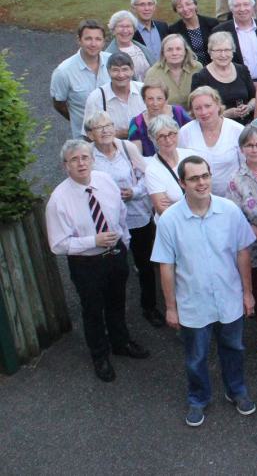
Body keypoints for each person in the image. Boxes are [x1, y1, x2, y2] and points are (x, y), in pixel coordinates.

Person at [152, 155, 256, 427]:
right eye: (194, 178)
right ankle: (198, 398)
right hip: (193, 303)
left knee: (233, 348)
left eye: (205, 176)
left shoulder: (230, 211)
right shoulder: (169, 221)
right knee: (196, 357)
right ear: (181, 182)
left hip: (229, 297)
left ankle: (236, 391)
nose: (202, 183)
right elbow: (166, 266)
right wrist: (171, 307)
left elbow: (243, 253)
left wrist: (248, 292)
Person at [45, 140, 149, 382]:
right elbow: (58, 244)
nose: (81, 163)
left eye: (84, 157)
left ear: (92, 159)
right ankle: (99, 356)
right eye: (74, 160)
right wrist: (94, 240)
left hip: (116, 254)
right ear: (65, 166)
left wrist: (125, 242)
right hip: (86, 264)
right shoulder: (58, 200)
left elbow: (121, 215)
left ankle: (121, 343)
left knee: (117, 301)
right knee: (92, 310)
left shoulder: (104, 180)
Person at [86, 112, 160, 328]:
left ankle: (150, 306)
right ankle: (116, 315)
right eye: (99, 127)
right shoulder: (87, 155)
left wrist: (135, 191)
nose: (106, 130)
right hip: (106, 220)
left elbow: (149, 176)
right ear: (90, 134)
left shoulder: (127, 148)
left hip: (136, 214)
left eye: (108, 124)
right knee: (113, 268)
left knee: (145, 264)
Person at [224, 125, 257, 355]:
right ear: (242, 149)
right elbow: (240, 221)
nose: (254, 149)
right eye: (249, 145)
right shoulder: (236, 180)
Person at [177, 87, 244, 196]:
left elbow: (246, 167)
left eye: (208, 106)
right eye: (197, 108)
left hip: (233, 197)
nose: (203, 112)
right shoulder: (185, 132)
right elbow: (181, 166)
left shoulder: (238, 130)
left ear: (218, 105)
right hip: (198, 198)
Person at [51, 19, 110, 137]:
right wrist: (78, 120)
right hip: (84, 142)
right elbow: (59, 103)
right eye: (88, 38)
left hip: (113, 137)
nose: (93, 44)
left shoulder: (112, 63)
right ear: (79, 40)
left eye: (98, 39)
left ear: (103, 42)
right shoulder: (63, 71)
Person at [190, 31, 256, 124]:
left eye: (227, 50)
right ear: (210, 53)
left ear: (233, 52)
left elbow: (254, 97)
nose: (223, 55)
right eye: (218, 51)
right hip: (217, 127)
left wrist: (248, 107)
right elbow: (197, 111)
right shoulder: (200, 77)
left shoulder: (242, 70)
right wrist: (226, 114)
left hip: (246, 125)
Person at [212, 0, 257, 82]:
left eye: (246, 4)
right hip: (236, 85)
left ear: (252, 6)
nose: (242, 9)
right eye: (237, 5)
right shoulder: (220, 31)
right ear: (231, 8)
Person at [144, 115, 197, 219]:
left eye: (171, 134)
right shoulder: (152, 170)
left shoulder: (191, 155)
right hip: (175, 224)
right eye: (161, 136)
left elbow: (205, 186)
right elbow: (163, 210)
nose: (168, 140)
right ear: (153, 139)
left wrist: (175, 203)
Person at [84, 52, 145, 139]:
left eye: (125, 69)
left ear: (132, 71)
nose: (121, 75)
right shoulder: (96, 98)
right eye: (115, 70)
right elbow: (89, 136)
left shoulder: (144, 90)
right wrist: (118, 134)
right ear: (108, 71)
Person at [129, 83, 192, 157]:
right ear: (144, 100)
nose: (155, 103)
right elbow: (136, 155)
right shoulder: (136, 123)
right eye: (150, 99)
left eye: (159, 99)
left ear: (166, 100)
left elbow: (192, 135)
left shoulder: (178, 112)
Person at [144, 34, 203, 108]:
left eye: (178, 49)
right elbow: (149, 103)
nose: (174, 53)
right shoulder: (153, 73)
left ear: (185, 51)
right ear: (163, 53)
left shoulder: (197, 67)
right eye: (169, 49)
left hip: (196, 115)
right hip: (167, 116)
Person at [168, 0, 218, 66]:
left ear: (195, 5)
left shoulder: (212, 24)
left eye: (188, 4)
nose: (185, 9)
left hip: (214, 66)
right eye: (180, 6)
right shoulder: (173, 31)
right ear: (176, 10)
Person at [106, 10, 151, 80]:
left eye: (128, 26)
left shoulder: (142, 49)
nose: (125, 31)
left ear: (134, 29)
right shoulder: (108, 55)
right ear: (113, 30)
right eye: (121, 26)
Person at [129, 0, 170, 64]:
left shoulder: (163, 27)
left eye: (150, 4)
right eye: (142, 4)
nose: (147, 8)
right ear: (134, 8)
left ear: (154, 7)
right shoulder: (129, 32)